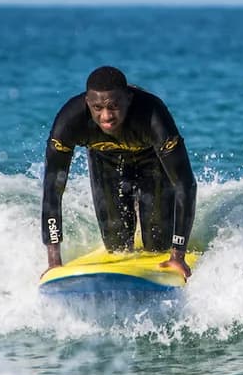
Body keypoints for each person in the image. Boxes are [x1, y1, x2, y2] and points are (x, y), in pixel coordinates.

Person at [41, 66, 197, 279]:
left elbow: (185, 185)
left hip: (151, 161)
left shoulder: (152, 114)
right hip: (105, 162)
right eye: (97, 108)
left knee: (158, 244)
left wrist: (178, 255)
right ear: (87, 102)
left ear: (128, 99)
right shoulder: (70, 121)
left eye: (113, 106)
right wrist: (54, 262)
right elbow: (53, 189)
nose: (106, 116)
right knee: (117, 245)